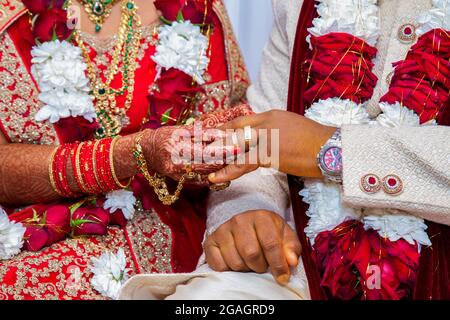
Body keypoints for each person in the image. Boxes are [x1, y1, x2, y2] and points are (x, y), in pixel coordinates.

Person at [120, 0, 450, 300]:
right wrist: (246, 212)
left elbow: (294, 142)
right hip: (302, 265)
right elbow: (262, 139)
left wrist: (331, 150)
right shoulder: (299, 6)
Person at [0, 0, 251, 300]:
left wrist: (208, 153)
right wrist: (132, 154)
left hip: (176, 231)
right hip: (38, 231)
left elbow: (242, 143)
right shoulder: (10, 17)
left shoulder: (198, 9)